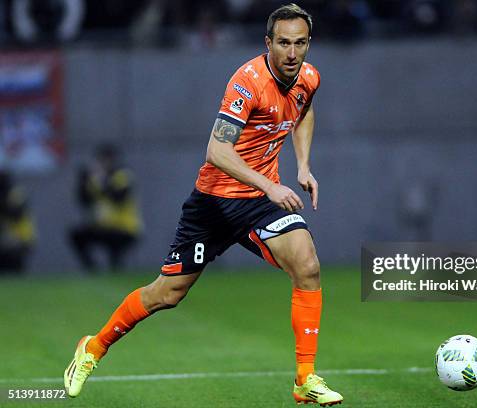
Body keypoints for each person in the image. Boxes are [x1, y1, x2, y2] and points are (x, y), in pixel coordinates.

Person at [64, 4, 344, 406]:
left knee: (308, 264)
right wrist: (269, 184)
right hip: (213, 205)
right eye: (283, 42)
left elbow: (304, 110)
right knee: (167, 294)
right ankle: (92, 348)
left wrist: (302, 166)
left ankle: (304, 379)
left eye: (300, 43)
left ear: (308, 44)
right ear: (268, 43)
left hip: (259, 204)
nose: (292, 52)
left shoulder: (308, 77)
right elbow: (216, 149)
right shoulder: (247, 82)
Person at [68, 143, 142, 271]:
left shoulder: (122, 175)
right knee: (77, 235)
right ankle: (91, 268)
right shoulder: (94, 178)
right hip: (103, 226)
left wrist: (102, 180)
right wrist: (83, 181)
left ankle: (116, 268)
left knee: (115, 252)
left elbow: (118, 199)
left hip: (124, 228)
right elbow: (84, 201)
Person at [0, 169, 35, 273]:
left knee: (12, 253)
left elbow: (16, 213)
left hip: (22, 237)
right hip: (5, 237)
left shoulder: (15, 194)